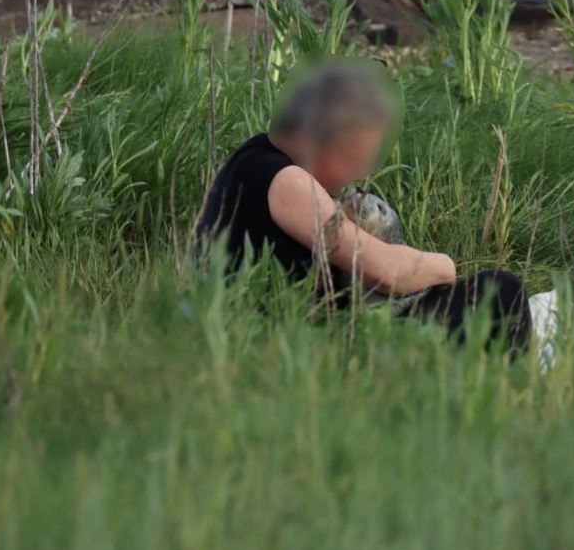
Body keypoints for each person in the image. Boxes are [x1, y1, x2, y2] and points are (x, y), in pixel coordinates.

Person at [195, 58, 532, 352]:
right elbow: (388, 273)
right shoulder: (286, 181)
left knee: (487, 293)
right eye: (352, 158)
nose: (359, 173)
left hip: (311, 331)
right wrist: (445, 266)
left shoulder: (254, 159)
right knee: (501, 293)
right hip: (294, 344)